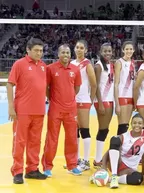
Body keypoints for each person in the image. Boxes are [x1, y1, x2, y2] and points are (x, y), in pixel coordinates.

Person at [7, 38, 48, 184]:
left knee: (35, 141)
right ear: (28, 50)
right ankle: (17, 171)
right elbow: (10, 85)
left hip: (39, 111)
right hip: (22, 111)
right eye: (36, 50)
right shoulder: (19, 64)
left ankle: (32, 169)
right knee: (20, 141)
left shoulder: (44, 66)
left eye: (41, 51)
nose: (39, 53)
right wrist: (11, 107)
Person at [41, 44, 82, 177]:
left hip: (71, 109)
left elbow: (76, 88)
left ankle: (72, 165)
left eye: (68, 53)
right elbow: (46, 87)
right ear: (58, 54)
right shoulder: (50, 69)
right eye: (63, 52)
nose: (66, 55)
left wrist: (69, 99)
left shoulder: (75, 69)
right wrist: (53, 99)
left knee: (71, 138)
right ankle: (47, 166)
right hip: (55, 109)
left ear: (71, 55)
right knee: (52, 138)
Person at [101, 113, 144, 188]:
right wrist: (104, 169)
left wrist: (143, 172)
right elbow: (108, 152)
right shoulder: (124, 136)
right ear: (131, 124)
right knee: (114, 139)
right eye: (134, 123)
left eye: (139, 123)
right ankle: (114, 176)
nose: (137, 125)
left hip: (129, 169)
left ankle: (110, 179)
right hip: (118, 163)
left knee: (138, 179)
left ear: (143, 125)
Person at [71, 40, 97, 171]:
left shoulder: (87, 64)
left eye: (82, 48)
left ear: (86, 50)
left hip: (83, 101)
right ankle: (76, 159)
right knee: (74, 131)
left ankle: (86, 161)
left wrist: (90, 100)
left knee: (84, 130)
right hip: (72, 101)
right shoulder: (71, 64)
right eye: (77, 47)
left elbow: (94, 84)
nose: (79, 49)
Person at [93, 43, 114, 168]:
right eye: (105, 51)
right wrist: (100, 103)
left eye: (109, 51)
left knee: (105, 129)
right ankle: (97, 159)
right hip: (103, 101)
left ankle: (98, 158)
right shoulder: (98, 66)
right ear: (100, 52)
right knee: (103, 129)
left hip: (110, 100)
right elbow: (96, 86)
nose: (107, 53)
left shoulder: (110, 65)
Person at [114, 41, 135, 135]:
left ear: (134, 50)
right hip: (122, 97)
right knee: (122, 126)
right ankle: (116, 148)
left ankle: (123, 148)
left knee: (126, 126)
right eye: (127, 49)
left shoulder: (133, 63)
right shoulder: (119, 62)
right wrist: (117, 103)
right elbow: (116, 84)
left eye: (131, 49)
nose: (129, 51)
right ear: (123, 50)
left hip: (131, 97)